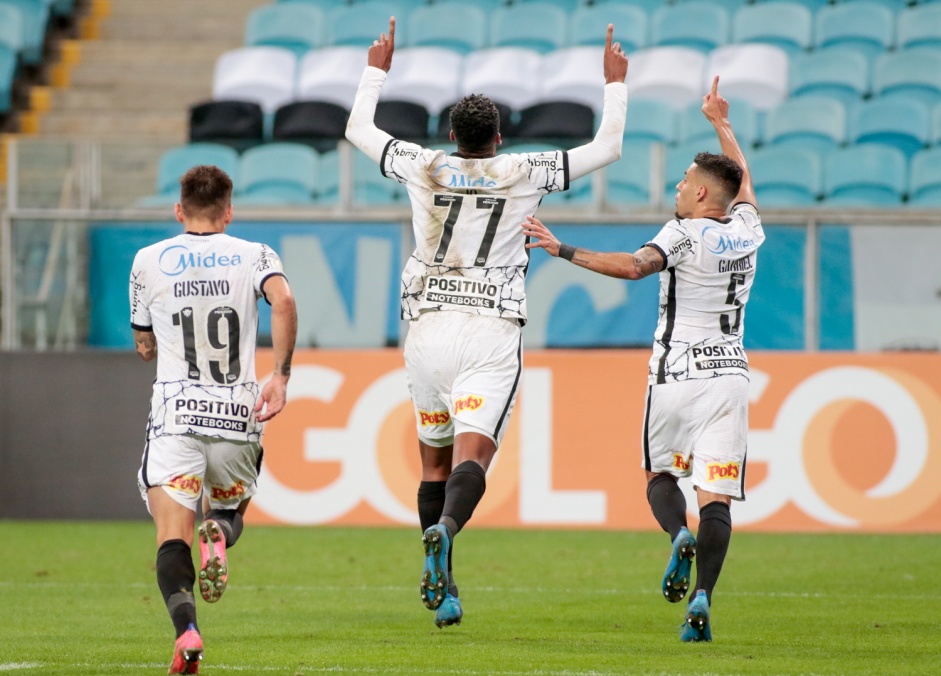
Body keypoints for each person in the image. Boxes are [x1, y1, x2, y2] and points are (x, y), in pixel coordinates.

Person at [345, 17, 629, 628]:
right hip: (489, 332)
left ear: (450, 134)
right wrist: (614, 83)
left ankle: (444, 588)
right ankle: (446, 530)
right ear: (499, 138)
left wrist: (377, 68)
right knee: (475, 458)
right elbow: (607, 148)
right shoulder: (525, 171)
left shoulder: (422, 164)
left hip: (425, 328)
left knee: (433, 463)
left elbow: (356, 129)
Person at [523, 76, 762, 643]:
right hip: (730, 376)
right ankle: (702, 596)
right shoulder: (749, 230)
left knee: (659, 475)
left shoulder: (681, 233)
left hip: (676, 373)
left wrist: (562, 250)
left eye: (685, 182)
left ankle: (678, 534)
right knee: (718, 498)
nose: (679, 187)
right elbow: (745, 185)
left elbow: (635, 267)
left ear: (703, 195)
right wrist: (721, 125)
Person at [129, 165, 297, 673]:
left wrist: (159, 339)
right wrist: (281, 375)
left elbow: (143, 344)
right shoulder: (257, 255)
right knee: (228, 512)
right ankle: (220, 534)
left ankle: (188, 633)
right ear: (229, 211)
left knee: (172, 535)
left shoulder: (147, 260)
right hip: (236, 413)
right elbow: (284, 300)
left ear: (179, 210)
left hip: (176, 415)